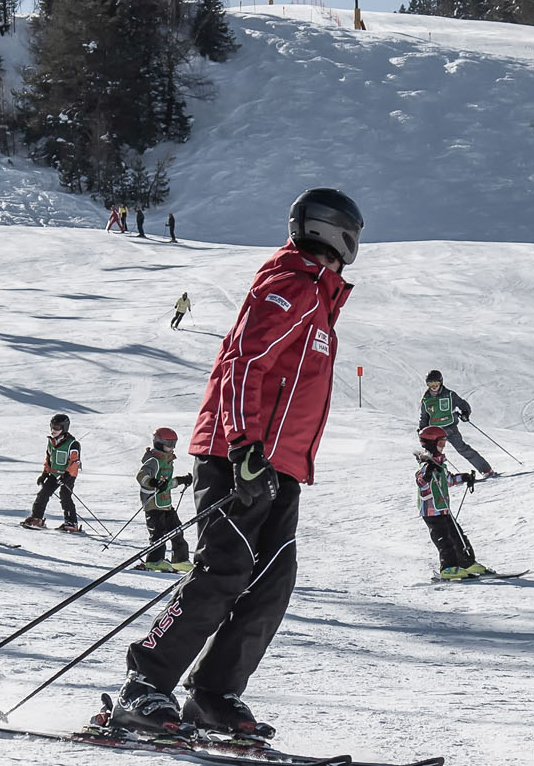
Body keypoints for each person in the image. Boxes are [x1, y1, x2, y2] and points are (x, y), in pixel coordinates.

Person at [111, 188, 361, 742]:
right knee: (223, 571)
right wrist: (244, 446)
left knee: (272, 583)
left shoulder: (319, 299)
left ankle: (214, 694)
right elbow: (244, 363)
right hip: (239, 458)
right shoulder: (291, 284)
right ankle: (143, 686)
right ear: (335, 231)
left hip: (282, 466)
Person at [415, 426, 490, 580]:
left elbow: (448, 480)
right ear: (431, 444)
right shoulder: (425, 464)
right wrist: (428, 472)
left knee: (458, 536)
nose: (443, 446)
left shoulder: (440, 464)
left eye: (444, 443)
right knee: (445, 541)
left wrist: (464, 477)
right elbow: (421, 481)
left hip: (443, 509)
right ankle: (448, 568)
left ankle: (466, 563)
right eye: (441, 443)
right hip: (431, 511)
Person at [135, 427, 196, 571]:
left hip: (165, 503)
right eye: (169, 444)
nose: (172, 448)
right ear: (158, 443)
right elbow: (141, 476)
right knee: (158, 533)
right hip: (153, 503)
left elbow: (166, 484)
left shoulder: (167, 461)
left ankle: (179, 560)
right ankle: (154, 561)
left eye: (174, 444)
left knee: (177, 530)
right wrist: (153, 483)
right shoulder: (154, 460)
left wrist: (181, 480)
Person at [417, 371, 498, 477]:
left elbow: (462, 404)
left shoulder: (450, 395)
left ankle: (486, 470)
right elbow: (424, 417)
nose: (433, 387)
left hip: (450, 428)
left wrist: (465, 413)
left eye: (436, 384)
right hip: (435, 432)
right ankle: (435, 477)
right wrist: (422, 430)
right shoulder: (426, 400)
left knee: (463, 448)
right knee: (432, 455)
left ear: (441, 382)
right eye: (430, 384)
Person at [22, 414, 82, 532]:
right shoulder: (51, 442)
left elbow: (74, 462)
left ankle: (71, 523)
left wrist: (67, 476)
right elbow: (49, 459)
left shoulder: (72, 444)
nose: (54, 430)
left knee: (65, 496)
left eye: (57, 427)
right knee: (43, 494)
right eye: (52, 427)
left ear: (64, 428)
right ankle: (37, 518)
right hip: (54, 474)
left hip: (68, 475)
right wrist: (45, 473)